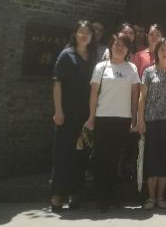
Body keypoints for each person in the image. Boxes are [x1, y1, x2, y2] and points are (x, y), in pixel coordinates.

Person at [86, 33, 140, 212]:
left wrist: (134, 118)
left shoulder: (131, 68)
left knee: (115, 159)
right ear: (111, 46)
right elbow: (94, 94)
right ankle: (101, 196)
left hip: (123, 118)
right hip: (103, 117)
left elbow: (135, 96)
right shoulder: (101, 67)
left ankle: (111, 195)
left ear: (127, 49)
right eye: (116, 44)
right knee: (101, 158)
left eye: (123, 45)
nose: (119, 48)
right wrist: (91, 117)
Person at [50, 20, 97, 212]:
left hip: (86, 113)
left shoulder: (93, 57)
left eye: (88, 32)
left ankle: (75, 193)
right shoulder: (66, 55)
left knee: (81, 154)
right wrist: (58, 110)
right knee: (64, 154)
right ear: (75, 34)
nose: (84, 35)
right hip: (68, 112)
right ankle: (57, 195)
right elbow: (57, 84)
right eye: (81, 32)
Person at [137, 38, 166, 210]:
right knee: (151, 158)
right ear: (157, 52)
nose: (165, 52)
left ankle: (161, 196)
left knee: (165, 159)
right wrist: (140, 120)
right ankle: (150, 197)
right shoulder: (148, 72)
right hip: (152, 121)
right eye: (162, 49)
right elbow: (142, 97)